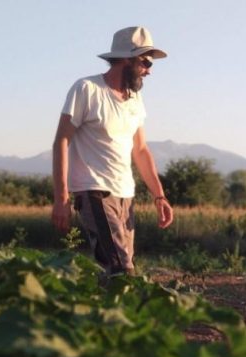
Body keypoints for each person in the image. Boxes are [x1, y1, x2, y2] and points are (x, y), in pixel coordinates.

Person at [52, 26, 174, 276]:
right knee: (121, 268)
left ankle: (92, 300)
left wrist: (159, 196)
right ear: (127, 59)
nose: (149, 70)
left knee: (118, 268)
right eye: (146, 62)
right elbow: (61, 141)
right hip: (94, 190)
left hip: (125, 194)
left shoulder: (135, 100)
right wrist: (61, 198)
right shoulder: (87, 89)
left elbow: (141, 150)